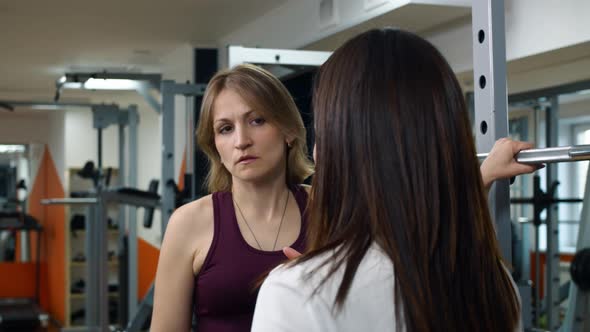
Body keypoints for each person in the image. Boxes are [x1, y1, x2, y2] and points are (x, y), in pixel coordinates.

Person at [252, 28, 539, 332]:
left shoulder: (291, 293)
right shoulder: (494, 282)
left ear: (336, 149)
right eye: (225, 129)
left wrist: (313, 282)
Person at [150, 64, 314, 332]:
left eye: (257, 120)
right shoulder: (188, 223)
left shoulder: (328, 208)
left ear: (288, 131)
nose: (241, 141)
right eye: (225, 128)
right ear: (214, 144)